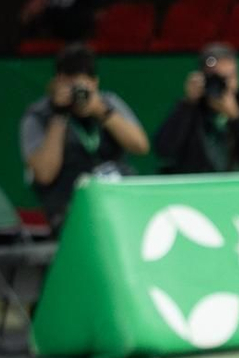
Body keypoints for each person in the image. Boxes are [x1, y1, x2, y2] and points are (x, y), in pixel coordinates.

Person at [19, 46, 148, 230]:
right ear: (56, 83)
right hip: (69, 210)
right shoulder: (38, 116)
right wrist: (59, 115)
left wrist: (102, 112)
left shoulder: (107, 103)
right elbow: (44, 175)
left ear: (95, 83)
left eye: (81, 87)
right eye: (69, 85)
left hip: (118, 201)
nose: (76, 94)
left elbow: (140, 146)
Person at [154, 43, 239, 175]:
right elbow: (164, 150)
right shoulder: (189, 111)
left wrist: (236, 117)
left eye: (227, 78)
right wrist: (187, 105)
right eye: (215, 78)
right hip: (198, 189)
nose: (221, 84)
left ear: (237, 78)